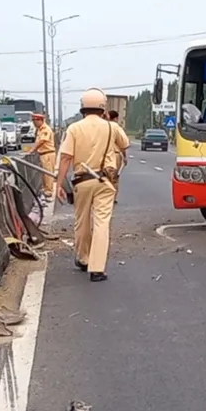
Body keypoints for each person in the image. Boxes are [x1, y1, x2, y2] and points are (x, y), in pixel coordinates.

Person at [55, 89, 129, 282]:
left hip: (82, 180)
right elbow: (125, 143)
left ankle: (83, 258)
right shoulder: (112, 127)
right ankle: (97, 269)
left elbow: (65, 157)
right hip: (105, 181)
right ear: (103, 107)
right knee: (102, 222)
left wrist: (58, 184)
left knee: (82, 220)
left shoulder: (74, 128)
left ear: (82, 107)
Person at [32, 112, 56, 199]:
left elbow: (42, 141)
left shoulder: (45, 129)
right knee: (43, 173)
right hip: (42, 154)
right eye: (33, 120)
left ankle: (49, 191)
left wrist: (32, 150)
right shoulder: (39, 129)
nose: (34, 122)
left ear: (41, 120)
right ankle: (46, 188)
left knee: (48, 173)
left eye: (36, 120)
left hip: (48, 154)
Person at [106, 110, 127, 203]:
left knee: (104, 177)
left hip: (102, 155)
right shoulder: (116, 128)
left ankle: (104, 196)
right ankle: (112, 198)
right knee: (114, 178)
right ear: (116, 118)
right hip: (115, 155)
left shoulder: (102, 127)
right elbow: (123, 144)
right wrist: (125, 157)